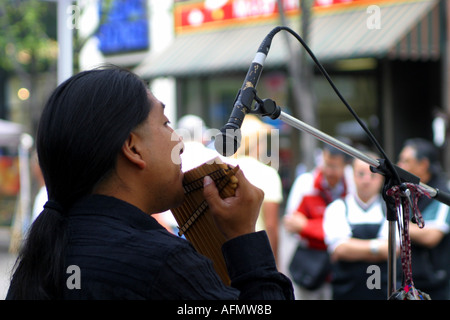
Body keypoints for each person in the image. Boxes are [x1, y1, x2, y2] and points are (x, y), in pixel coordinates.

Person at [6, 66, 294, 300]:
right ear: (133, 148)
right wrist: (244, 237)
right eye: (166, 123)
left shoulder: (39, 261)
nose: (179, 142)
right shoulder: (163, 264)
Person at [323, 153, 398, 300]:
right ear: (351, 175)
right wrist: (377, 247)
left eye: (373, 175)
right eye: (361, 174)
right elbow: (340, 249)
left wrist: (353, 247)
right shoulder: (337, 208)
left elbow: (392, 250)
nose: (366, 180)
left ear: (381, 177)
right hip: (345, 291)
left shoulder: (392, 209)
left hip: (383, 292)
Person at [283, 143, 352, 300]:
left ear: (346, 166)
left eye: (334, 166)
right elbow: (290, 225)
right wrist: (333, 233)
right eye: (326, 164)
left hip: (341, 267)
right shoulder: (306, 183)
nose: (328, 171)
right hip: (310, 265)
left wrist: (307, 226)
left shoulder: (353, 185)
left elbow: (353, 229)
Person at [397, 138, 450, 299]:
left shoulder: (440, 194)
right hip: (407, 282)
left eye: (406, 161)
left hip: (435, 284)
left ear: (423, 164)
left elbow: (430, 235)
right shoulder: (406, 190)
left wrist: (395, 224)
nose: (399, 165)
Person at [228, 115, 283, 263]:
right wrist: (275, 266)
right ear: (257, 143)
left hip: (227, 254)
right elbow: (271, 227)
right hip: (257, 255)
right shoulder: (267, 174)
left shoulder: (224, 169)